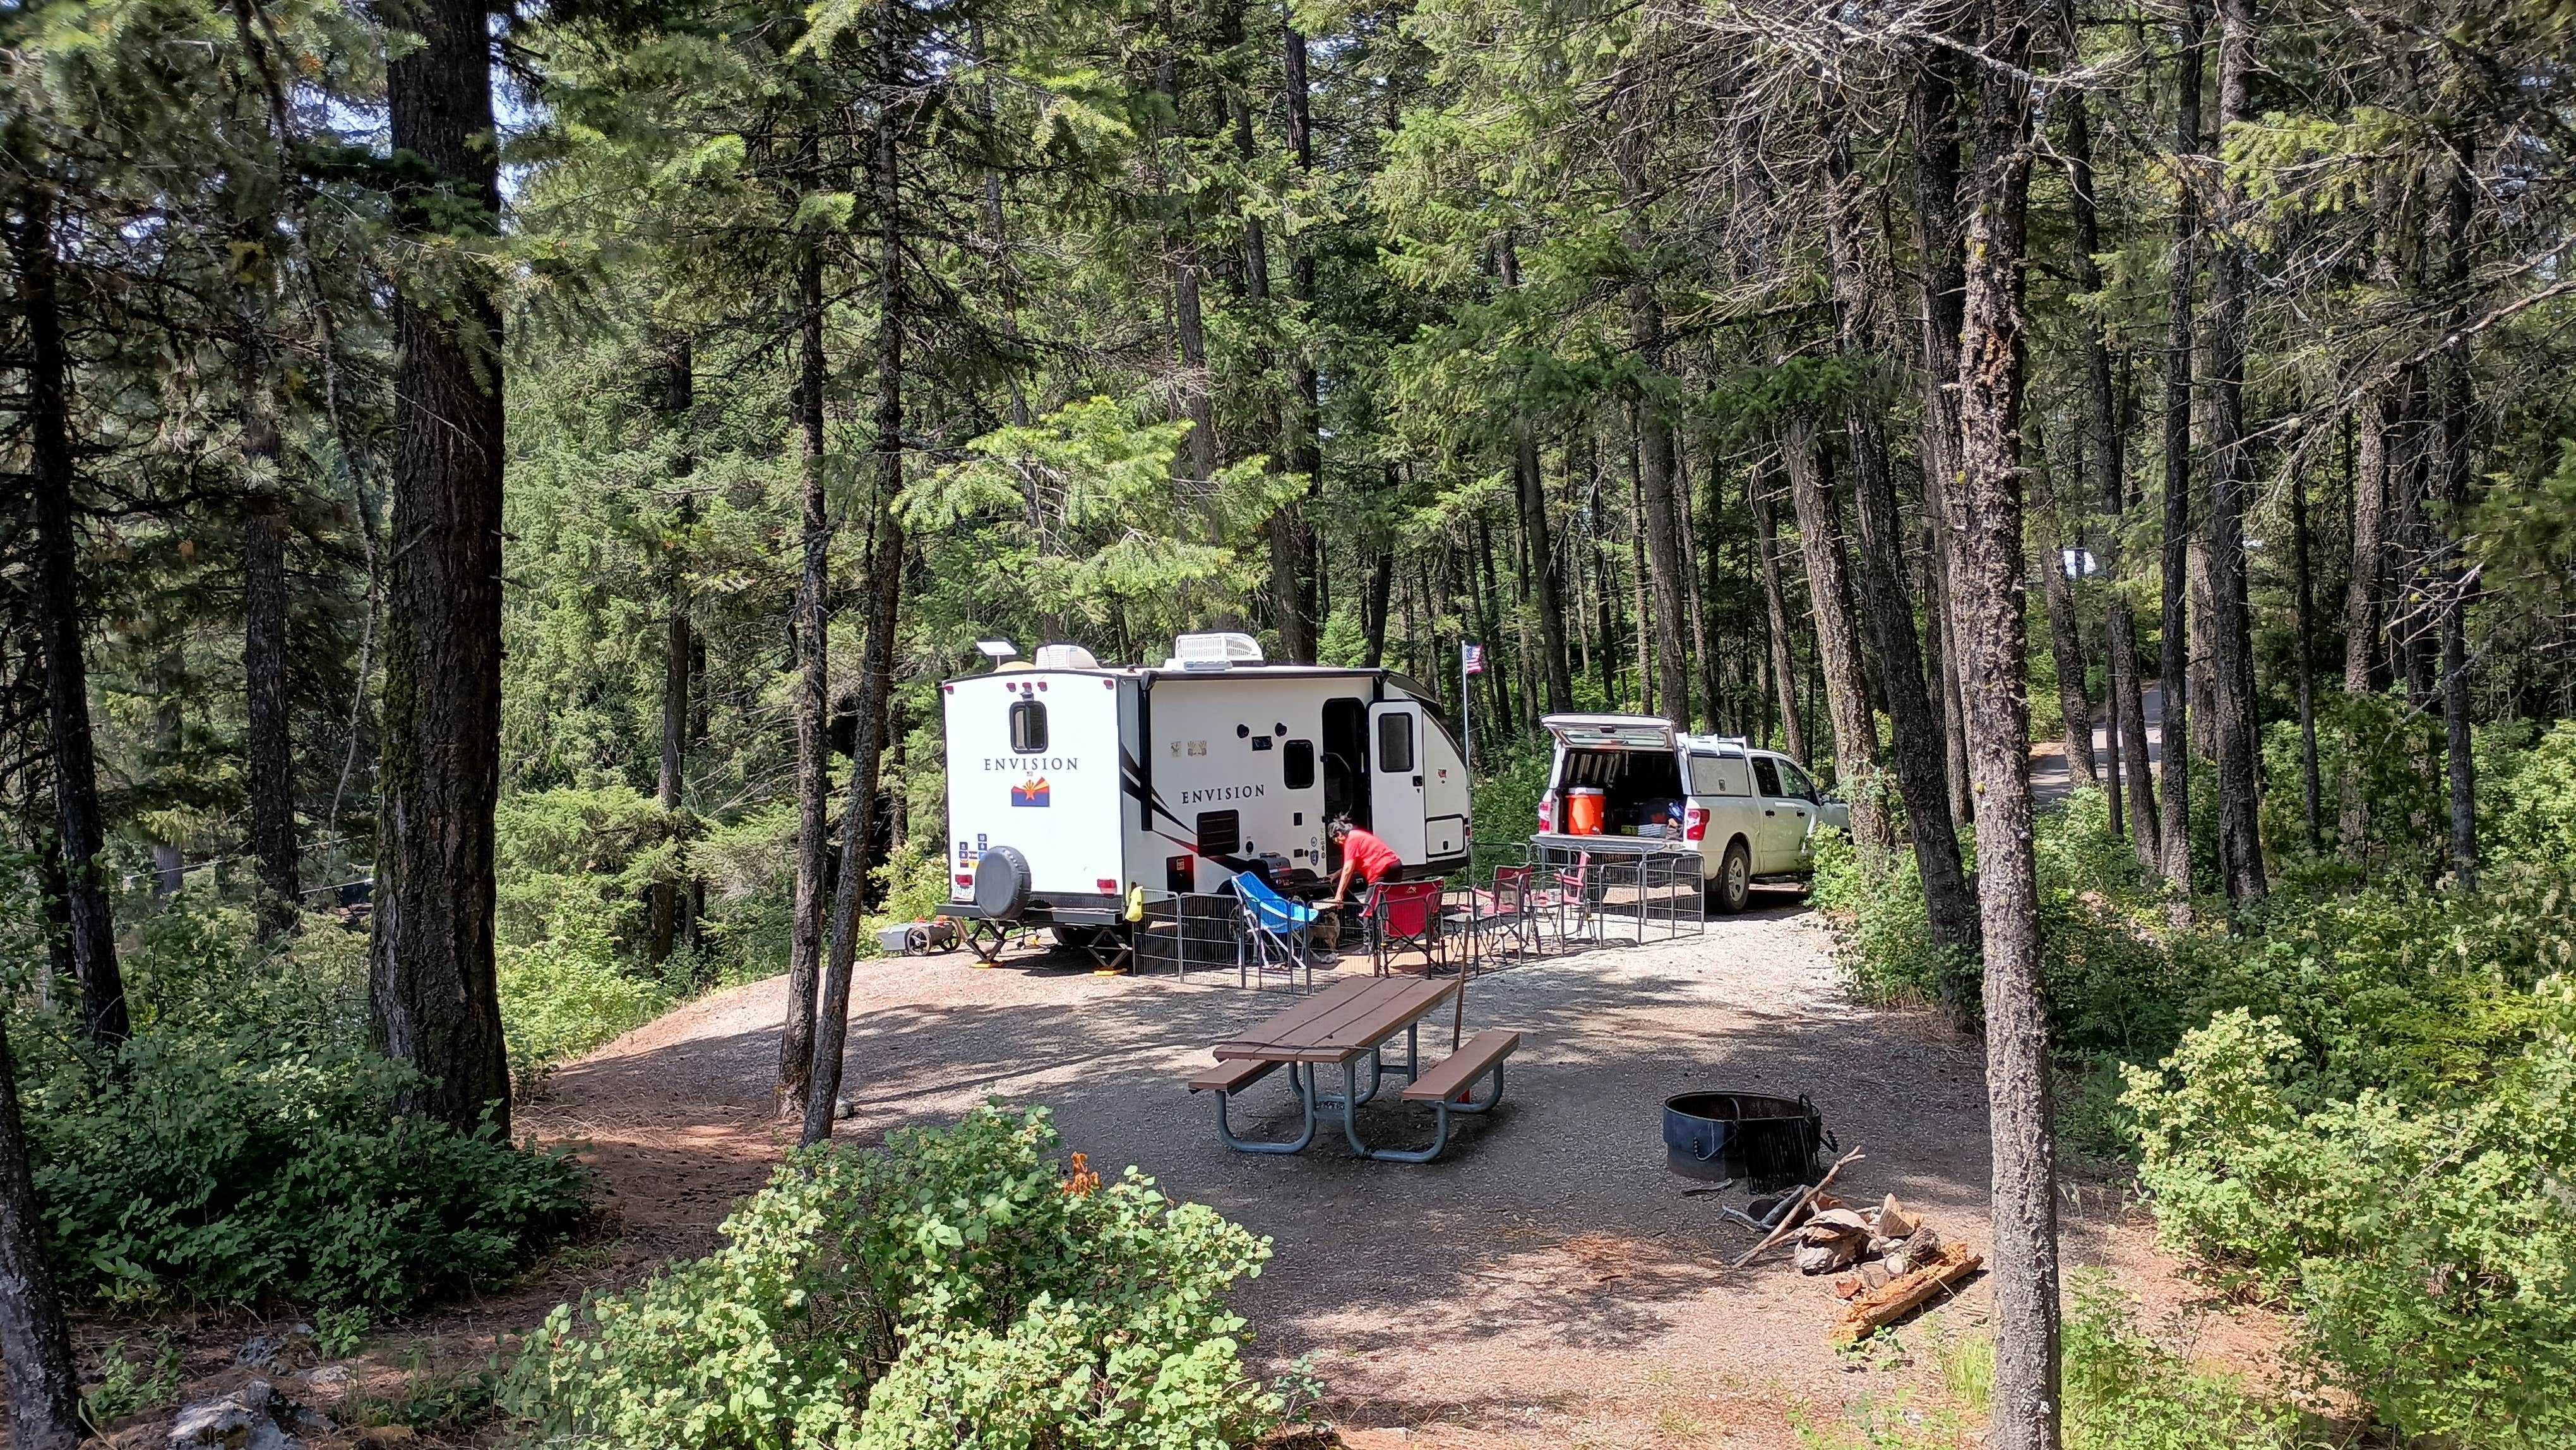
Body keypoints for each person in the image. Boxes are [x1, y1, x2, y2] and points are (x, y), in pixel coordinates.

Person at [1324, 817, 1402, 909]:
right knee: (1386, 905)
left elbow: (1348, 869)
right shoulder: (1357, 835)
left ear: (1339, 834)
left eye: (1335, 840)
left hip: (1381, 870)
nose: (1337, 844)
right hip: (1395, 865)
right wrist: (1335, 875)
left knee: (1369, 909)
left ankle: (1370, 923)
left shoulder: (1351, 840)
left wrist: (1339, 896)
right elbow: (1354, 864)